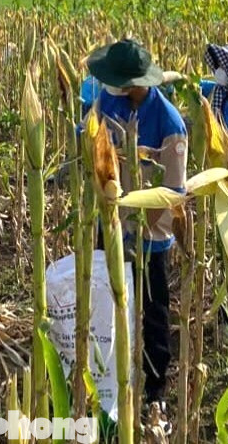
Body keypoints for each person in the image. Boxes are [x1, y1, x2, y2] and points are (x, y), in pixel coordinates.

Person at [83, 38, 187, 414]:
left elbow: (173, 192)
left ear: (138, 82)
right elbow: (92, 141)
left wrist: (141, 225)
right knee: (104, 299)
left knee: (152, 310)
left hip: (149, 236)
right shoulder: (109, 102)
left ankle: (154, 388)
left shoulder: (170, 123)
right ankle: (105, 373)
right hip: (109, 222)